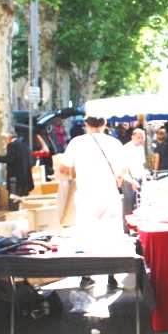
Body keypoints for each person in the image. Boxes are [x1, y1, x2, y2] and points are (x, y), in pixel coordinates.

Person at [59, 115, 126, 291]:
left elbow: (62, 168)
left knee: (86, 235)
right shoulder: (115, 143)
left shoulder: (76, 142)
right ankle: (112, 277)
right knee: (111, 234)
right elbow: (122, 172)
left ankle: (86, 276)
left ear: (86, 124)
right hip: (110, 194)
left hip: (87, 195)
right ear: (104, 124)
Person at [0, 129, 34, 208]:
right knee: (23, 204)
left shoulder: (11, 145)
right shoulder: (25, 146)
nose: (5, 141)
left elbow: (10, 159)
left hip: (16, 181)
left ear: (9, 138)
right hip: (26, 180)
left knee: (14, 203)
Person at [121, 129, 146, 223]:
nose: (141, 139)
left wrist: (144, 178)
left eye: (142, 137)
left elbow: (141, 164)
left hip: (139, 177)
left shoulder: (141, 148)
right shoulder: (126, 148)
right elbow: (125, 167)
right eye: (139, 137)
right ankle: (127, 227)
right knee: (129, 204)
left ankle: (137, 226)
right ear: (132, 137)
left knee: (139, 204)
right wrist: (132, 180)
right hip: (129, 179)